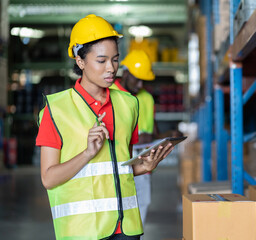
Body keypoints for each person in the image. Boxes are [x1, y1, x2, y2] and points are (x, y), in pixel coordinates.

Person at [36, 14, 174, 240]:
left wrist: (145, 165)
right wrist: (87, 153)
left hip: (126, 229)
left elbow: (118, 168)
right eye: (101, 61)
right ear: (80, 61)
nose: (111, 68)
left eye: (115, 59)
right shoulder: (56, 110)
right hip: (83, 231)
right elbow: (48, 178)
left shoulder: (128, 104)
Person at [110, 50, 157, 233]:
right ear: (126, 73)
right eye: (137, 79)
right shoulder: (109, 94)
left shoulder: (146, 98)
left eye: (144, 80)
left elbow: (152, 131)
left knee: (141, 206)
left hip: (141, 162)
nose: (140, 84)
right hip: (117, 163)